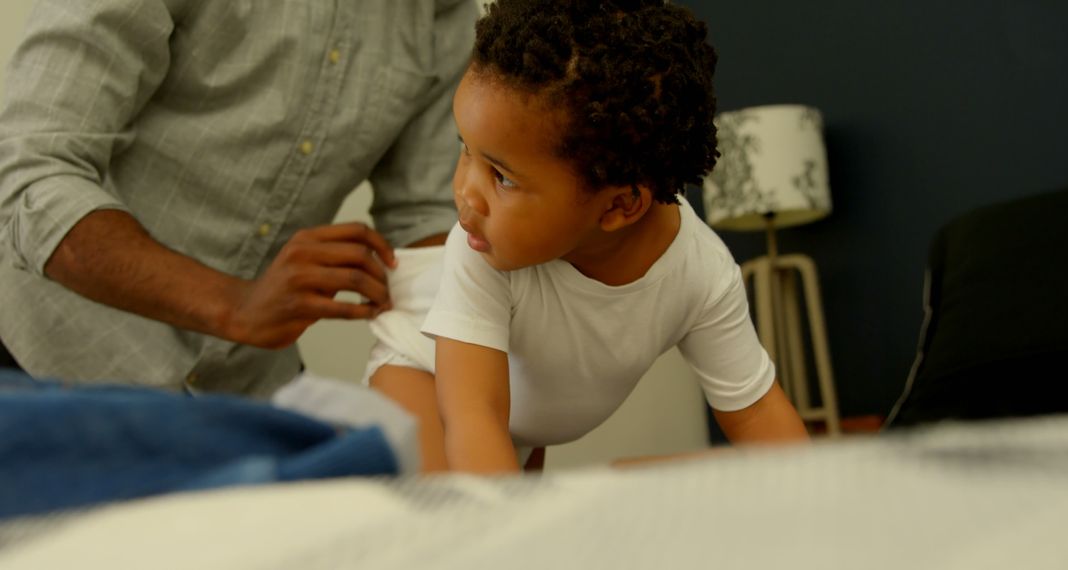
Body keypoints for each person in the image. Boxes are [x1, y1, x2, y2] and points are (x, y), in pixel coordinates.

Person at [365, 0, 809, 474]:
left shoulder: (701, 273)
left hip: (519, 423)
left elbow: (758, 413)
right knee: (467, 526)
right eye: (464, 150)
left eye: (502, 177)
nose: (464, 195)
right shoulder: (478, 250)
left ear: (619, 206)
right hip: (428, 379)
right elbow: (475, 416)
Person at [0, 0, 477, 398]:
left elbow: (428, 219)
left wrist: (485, 372)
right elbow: (32, 172)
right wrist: (233, 304)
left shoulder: (440, 10)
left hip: (242, 398)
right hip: (39, 366)